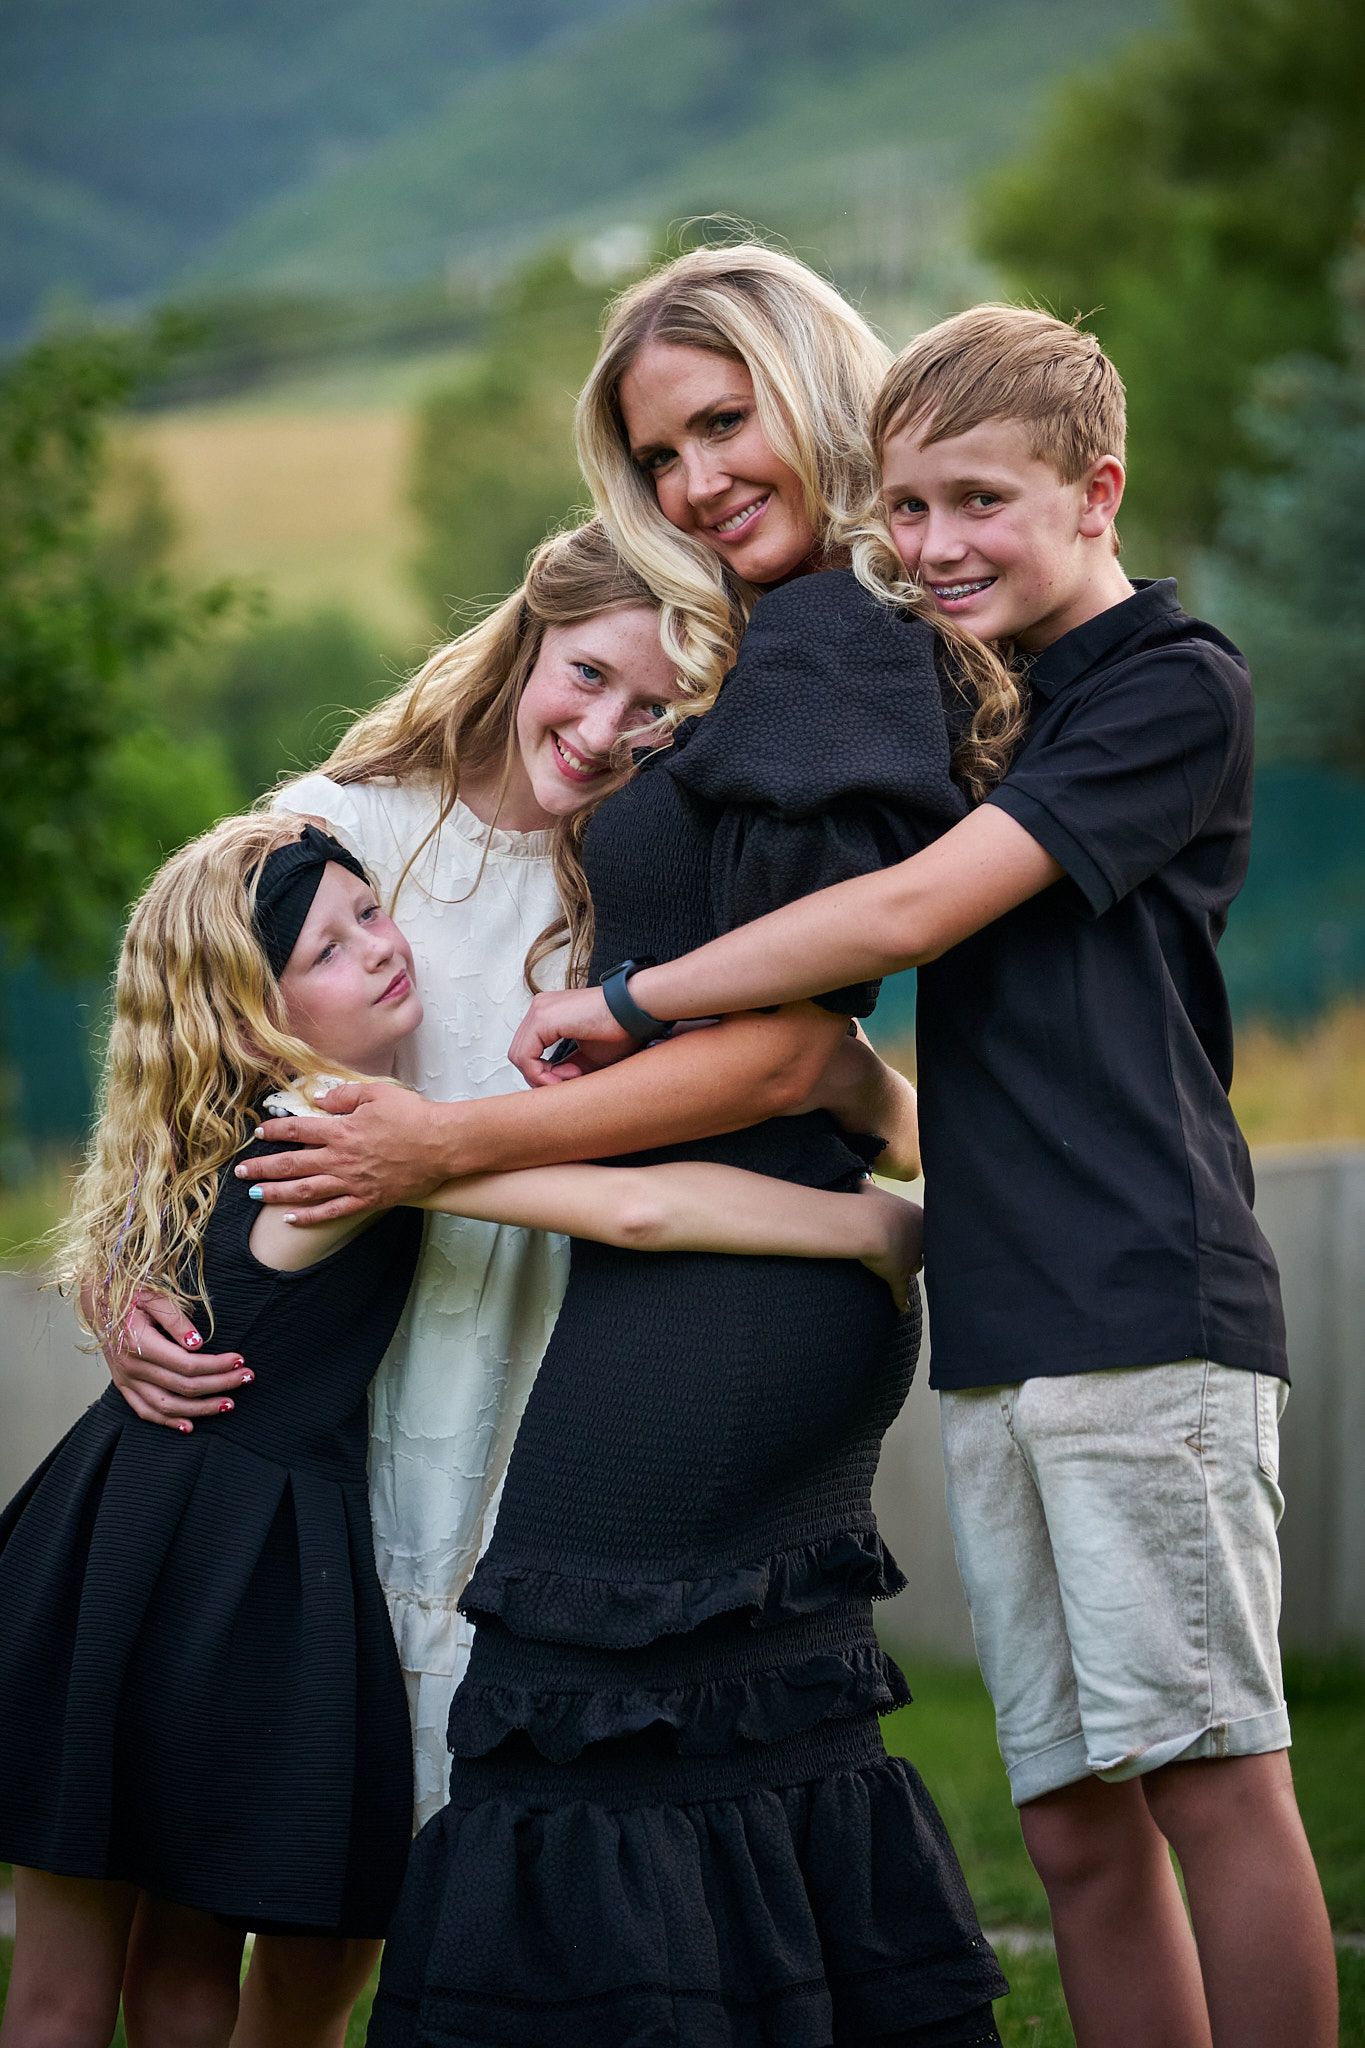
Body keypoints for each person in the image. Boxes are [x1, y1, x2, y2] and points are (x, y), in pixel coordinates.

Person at [507, 305, 1338, 2048]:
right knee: (1070, 1821)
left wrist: (633, 994)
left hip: (1141, 1297)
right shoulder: (1000, 697)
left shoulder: (1172, 685)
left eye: (981, 502)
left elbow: (903, 913)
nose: (940, 546)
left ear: (1096, 491)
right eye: (911, 510)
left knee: (1207, 1780)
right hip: (1001, 1309)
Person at [343, 245, 1009, 2044]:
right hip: (757, 1276)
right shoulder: (780, 643)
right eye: (658, 456)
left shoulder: (827, 655)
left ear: (815, 392)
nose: (699, 481)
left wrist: (452, 1136)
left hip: (725, 1293)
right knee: (734, 1733)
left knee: (573, 1701)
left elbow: (789, 1042)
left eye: (726, 422)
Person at [0, 811, 926, 2048]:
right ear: (248, 1013)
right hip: (217, 1572)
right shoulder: (338, 1137)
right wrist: (868, 1229)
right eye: (328, 949)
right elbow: (637, 1209)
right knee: (150, 1976)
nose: (381, 947)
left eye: (370, 910)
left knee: (101, 1972)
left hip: (124, 1547)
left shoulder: (210, 1139)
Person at [99, 519, 916, 1843]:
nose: (603, 733)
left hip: (572, 1338)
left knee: (485, 1821)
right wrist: (118, 1269)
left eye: (659, 714)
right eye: (587, 673)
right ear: (531, 628)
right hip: (358, 1359)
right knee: (317, 1859)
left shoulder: (647, 882)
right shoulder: (352, 831)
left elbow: (813, 1067)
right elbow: (174, 1047)